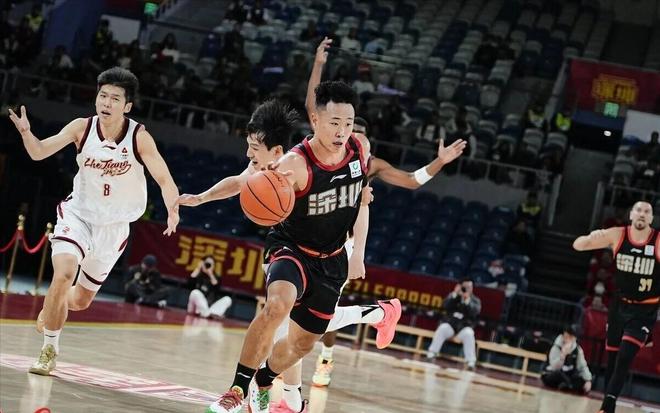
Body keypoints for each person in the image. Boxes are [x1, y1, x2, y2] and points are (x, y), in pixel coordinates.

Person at [176, 98, 397, 413]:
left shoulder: (318, 161)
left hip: (334, 252)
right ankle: (244, 391)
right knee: (277, 309)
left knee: (301, 338)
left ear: (277, 151)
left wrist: (358, 251)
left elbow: (362, 202)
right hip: (290, 247)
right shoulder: (271, 166)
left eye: (254, 147)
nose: (249, 154)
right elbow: (240, 182)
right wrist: (201, 198)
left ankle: (275, 383)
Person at [8, 66, 180, 375]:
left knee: (80, 301)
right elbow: (39, 152)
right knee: (63, 274)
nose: (107, 103)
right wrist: (26, 133)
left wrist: (173, 209)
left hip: (113, 228)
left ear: (127, 106)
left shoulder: (139, 137)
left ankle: (53, 306)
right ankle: (49, 349)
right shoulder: (81, 127)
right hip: (78, 215)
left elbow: (164, 179)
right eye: (103, 95)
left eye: (115, 98)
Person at [573, 201, 659, 413]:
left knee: (624, 356)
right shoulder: (617, 234)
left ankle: (607, 407)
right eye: (638, 210)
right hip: (619, 306)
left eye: (647, 211)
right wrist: (590, 238)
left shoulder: (658, 241)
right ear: (631, 215)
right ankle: (608, 404)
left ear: (651, 218)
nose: (642, 214)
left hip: (644, 310)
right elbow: (578, 245)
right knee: (612, 358)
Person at [426, 278, 481, 370]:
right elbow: (445, 305)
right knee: (443, 328)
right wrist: (455, 293)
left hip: (463, 328)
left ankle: (471, 362)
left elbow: (474, 313)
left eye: (469, 287)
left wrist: (467, 299)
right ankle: (431, 353)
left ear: (472, 288)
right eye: (465, 286)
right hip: (450, 326)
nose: (467, 288)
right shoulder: (454, 296)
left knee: (469, 333)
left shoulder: (475, 300)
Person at [541, 326, 593, 394]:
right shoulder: (556, 347)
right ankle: (570, 386)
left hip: (568, 375)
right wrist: (562, 356)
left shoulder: (577, 350)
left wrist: (588, 380)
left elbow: (582, 366)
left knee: (581, 380)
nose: (567, 340)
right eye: (566, 337)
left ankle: (568, 386)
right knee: (558, 374)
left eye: (570, 337)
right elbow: (554, 367)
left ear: (574, 338)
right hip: (552, 374)